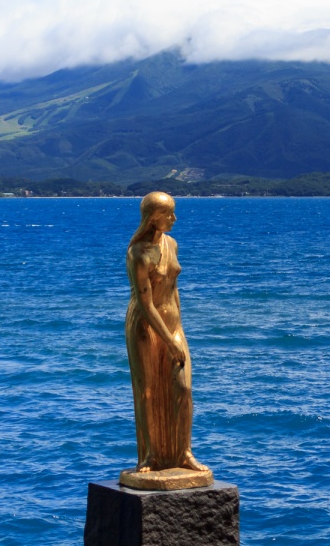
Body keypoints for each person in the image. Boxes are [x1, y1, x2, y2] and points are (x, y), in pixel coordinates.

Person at [124, 191, 209, 476]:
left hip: (173, 325)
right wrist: (167, 340)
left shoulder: (171, 244)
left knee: (183, 388)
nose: (174, 219)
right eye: (168, 214)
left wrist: (178, 332)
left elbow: (173, 292)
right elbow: (146, 304)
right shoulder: (138, 254)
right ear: (153, 218)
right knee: (148, 390)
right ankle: (150, 456)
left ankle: (184, 452)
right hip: (145, 327)